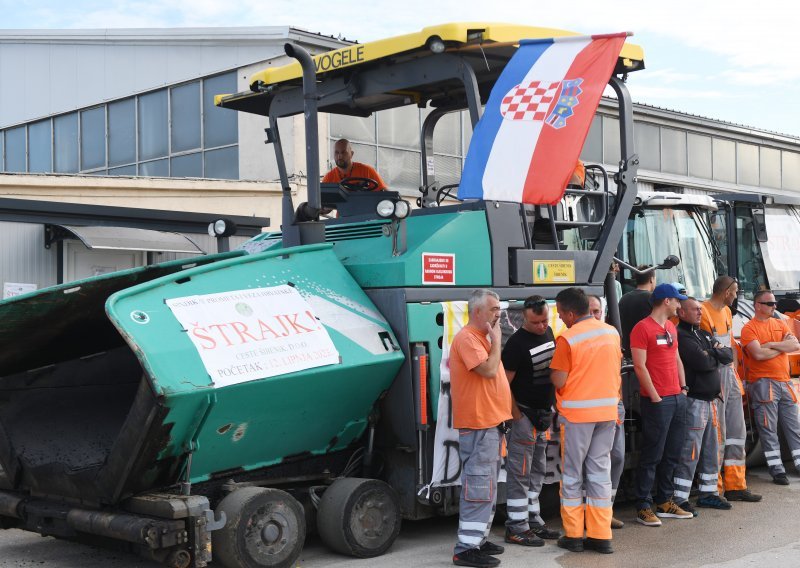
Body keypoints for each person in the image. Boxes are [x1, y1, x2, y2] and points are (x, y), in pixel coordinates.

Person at [550, 288, 622, 554]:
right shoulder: (610, 332)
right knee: (599, 474)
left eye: (560, 314)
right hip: (607, 413)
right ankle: (601, 536)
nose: (560, 318)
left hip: (577, 416)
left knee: (571, 476)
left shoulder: (567, 339)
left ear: (570, 313)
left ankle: (574, 535)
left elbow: (559, 379)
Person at [449, 289, 513, 568]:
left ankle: (478, 539)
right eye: (494, 308)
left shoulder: (480, 338)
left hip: (490, 425)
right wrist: (497, 340)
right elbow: (487, 371)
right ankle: (466, 549)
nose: (499, 313)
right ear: (477, 312)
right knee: (478, 486)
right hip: (479, 425)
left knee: (486, 486)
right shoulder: (467, 338)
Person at [631, 283, 693, 527]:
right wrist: (655, 395)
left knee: (672, 453)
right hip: (658, 400)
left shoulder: (670, 327)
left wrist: (683, 387)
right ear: (666, 301)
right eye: (677, 300)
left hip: (677, 397)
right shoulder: (641, 328)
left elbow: (676, 358)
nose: (680, 305)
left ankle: (664, 500)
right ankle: (643, 505)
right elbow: (639, 365)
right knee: (652, 454)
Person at [501, 296, 560, 546]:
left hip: (543, 415)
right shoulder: (516, 344)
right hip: (524, 415)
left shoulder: (549, 333)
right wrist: (516, 415)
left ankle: (533, 519)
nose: (541, 326)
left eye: (545, 320)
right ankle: (516, 526)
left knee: (537, 470)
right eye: (536, 322)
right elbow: (504, 384)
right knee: (520, 471)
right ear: (524, 318)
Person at [701, 276, 762, 502]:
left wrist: (734, 368)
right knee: (718, 434)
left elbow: (729, 347)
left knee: (736, 432)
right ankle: (713, 489)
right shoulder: (704, 312)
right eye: (735, 292)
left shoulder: (726, 312)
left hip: (728, 374)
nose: (736, 296)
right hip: (714, 376)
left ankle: (736, 485)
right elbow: (707, 351)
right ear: (726, 292)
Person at [672, 297, 732, 514]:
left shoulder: (704, 334)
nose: (700, 312)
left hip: (711, 401)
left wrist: (712, 352)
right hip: (694, 402)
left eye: (700, 309)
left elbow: (728, 355)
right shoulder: (682, 335)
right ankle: (679, 498)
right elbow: (702, 362)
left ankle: (709, 494)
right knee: (690, 450)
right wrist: (713, 353)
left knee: (710, 450)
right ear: (681, 313)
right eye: (695, 309)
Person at [740, 290, 800, 486]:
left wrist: (772, 344)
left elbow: (794, 345)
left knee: (794, 427)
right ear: (758, 305)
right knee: (768, 428)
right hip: (763, 384)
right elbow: (757, 355)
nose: (775, 306)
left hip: (784, 382)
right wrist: (781, 346)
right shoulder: (749, 328)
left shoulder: (779, 323)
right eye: (770, 303)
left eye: (774, 303)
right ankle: (777, 470)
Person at [588, 294, 625, 530]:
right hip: (586, 410)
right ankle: (593, 513)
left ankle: (606, 508)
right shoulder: (573, 336)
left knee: (618, 456)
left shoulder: (611, 334)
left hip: (613, 405)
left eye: (597, 311)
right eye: (590, 311)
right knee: (589, 464)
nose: (594, 316)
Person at [618, 266, 656, 357]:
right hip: (647, 353)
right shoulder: (653, 299)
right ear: (651, 279)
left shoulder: (624, 298)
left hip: (627, 351)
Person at [322, 138, 387, 190]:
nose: (339, 156)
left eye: (344, 152)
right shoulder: (328, 178)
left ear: (351, 154)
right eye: (336, 152)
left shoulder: (367, 171)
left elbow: (386, 195)